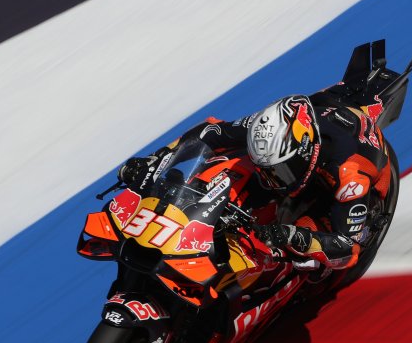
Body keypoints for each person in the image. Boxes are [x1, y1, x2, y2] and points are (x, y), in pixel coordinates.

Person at [118, 93, 394, 278]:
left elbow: (347, 250)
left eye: (280, 171)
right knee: (229, 161)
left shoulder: (349, 175)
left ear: (304, 151)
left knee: (307, 258)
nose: (271, 181)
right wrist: (157, 160)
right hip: (312, 126)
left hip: (346, 182)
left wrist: (292, 236)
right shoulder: (260, 130)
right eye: (269, 171)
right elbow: (210, 132)